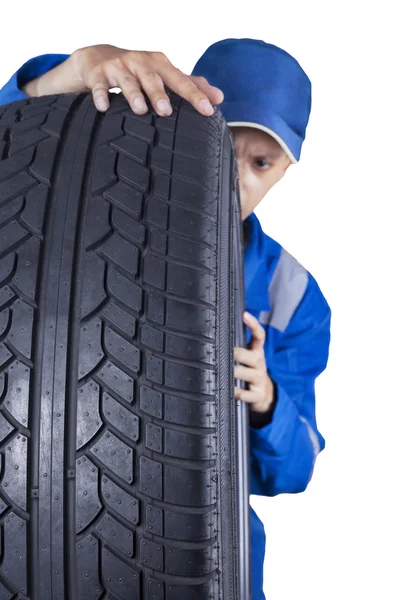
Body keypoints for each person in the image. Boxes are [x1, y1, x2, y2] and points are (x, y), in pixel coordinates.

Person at [0, 38, 331, 599]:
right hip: (34, 530)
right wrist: (50, 85)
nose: (238, 178)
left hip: (208, 553)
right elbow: (23, 186)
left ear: (287, 169)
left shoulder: (293, 292)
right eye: (223, 146)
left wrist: (266, 401)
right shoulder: (101, 227)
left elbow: (295, 471)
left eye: (262, 162)